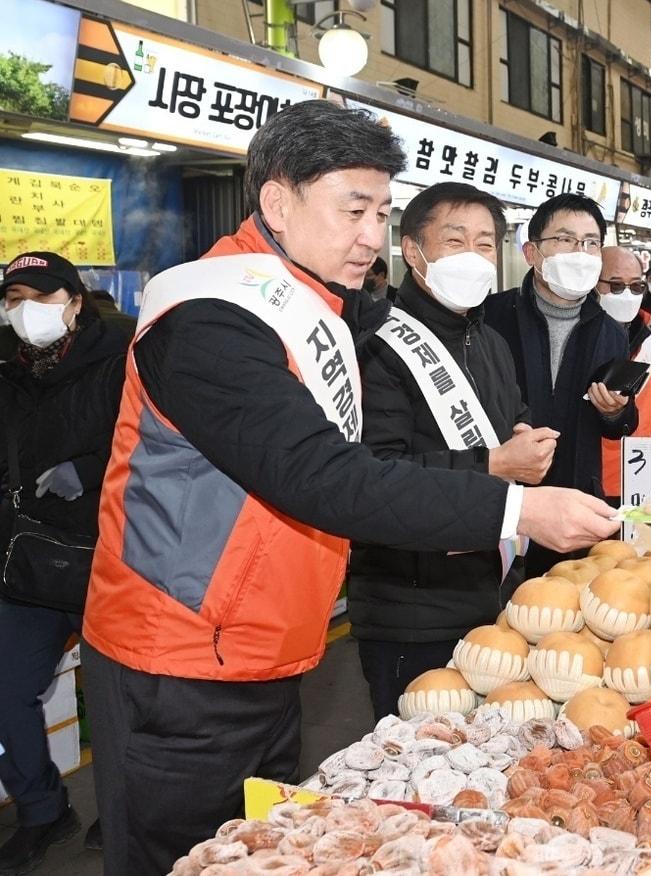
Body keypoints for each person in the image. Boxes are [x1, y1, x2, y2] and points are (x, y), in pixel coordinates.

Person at [79, 101, 619, 876]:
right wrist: (516, 505)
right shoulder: (209, 318)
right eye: (354, 209)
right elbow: (324, 477)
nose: (371, 235)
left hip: (266, 653)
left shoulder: (314, 300)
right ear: (277, 202)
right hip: (181, 660)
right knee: (182, 859)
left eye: (382, 212)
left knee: (251, 855)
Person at [350, 182, 558, 720]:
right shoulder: (377, 344)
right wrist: (494, 464)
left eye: (486, 243)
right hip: (409, 603)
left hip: (490, 591)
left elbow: (511, 418)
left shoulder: (489, 340)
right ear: (412, 250)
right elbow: (370, 475)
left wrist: (526, 442)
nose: (473, 255)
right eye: (455, 240)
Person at [0, 252, 128, 872]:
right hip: (28, 560)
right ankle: (43, 809)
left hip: (109, 556)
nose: (28, 311)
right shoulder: (7, 370)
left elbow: (163, 443)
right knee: (5, 688)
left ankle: (123, 806)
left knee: (116, 694)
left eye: (44, 297)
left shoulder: (127, 356)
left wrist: (92, 470)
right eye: (15, 297)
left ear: (76, 302)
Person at [483, 193, 636, 575]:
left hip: (574, 500)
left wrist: (616, 411)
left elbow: (619, 422)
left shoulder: (610, 332)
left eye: (590, 243)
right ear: (533, 252)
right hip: (502, 497)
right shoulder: (490, 317)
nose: (580, 252)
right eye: (566, 240)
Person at [596, 246, 651, 500]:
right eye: (615, 285)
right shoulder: (574, 341)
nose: (626, 294)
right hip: (590, 483)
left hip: (641, 475)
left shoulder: (648, 341)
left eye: (636, 287)